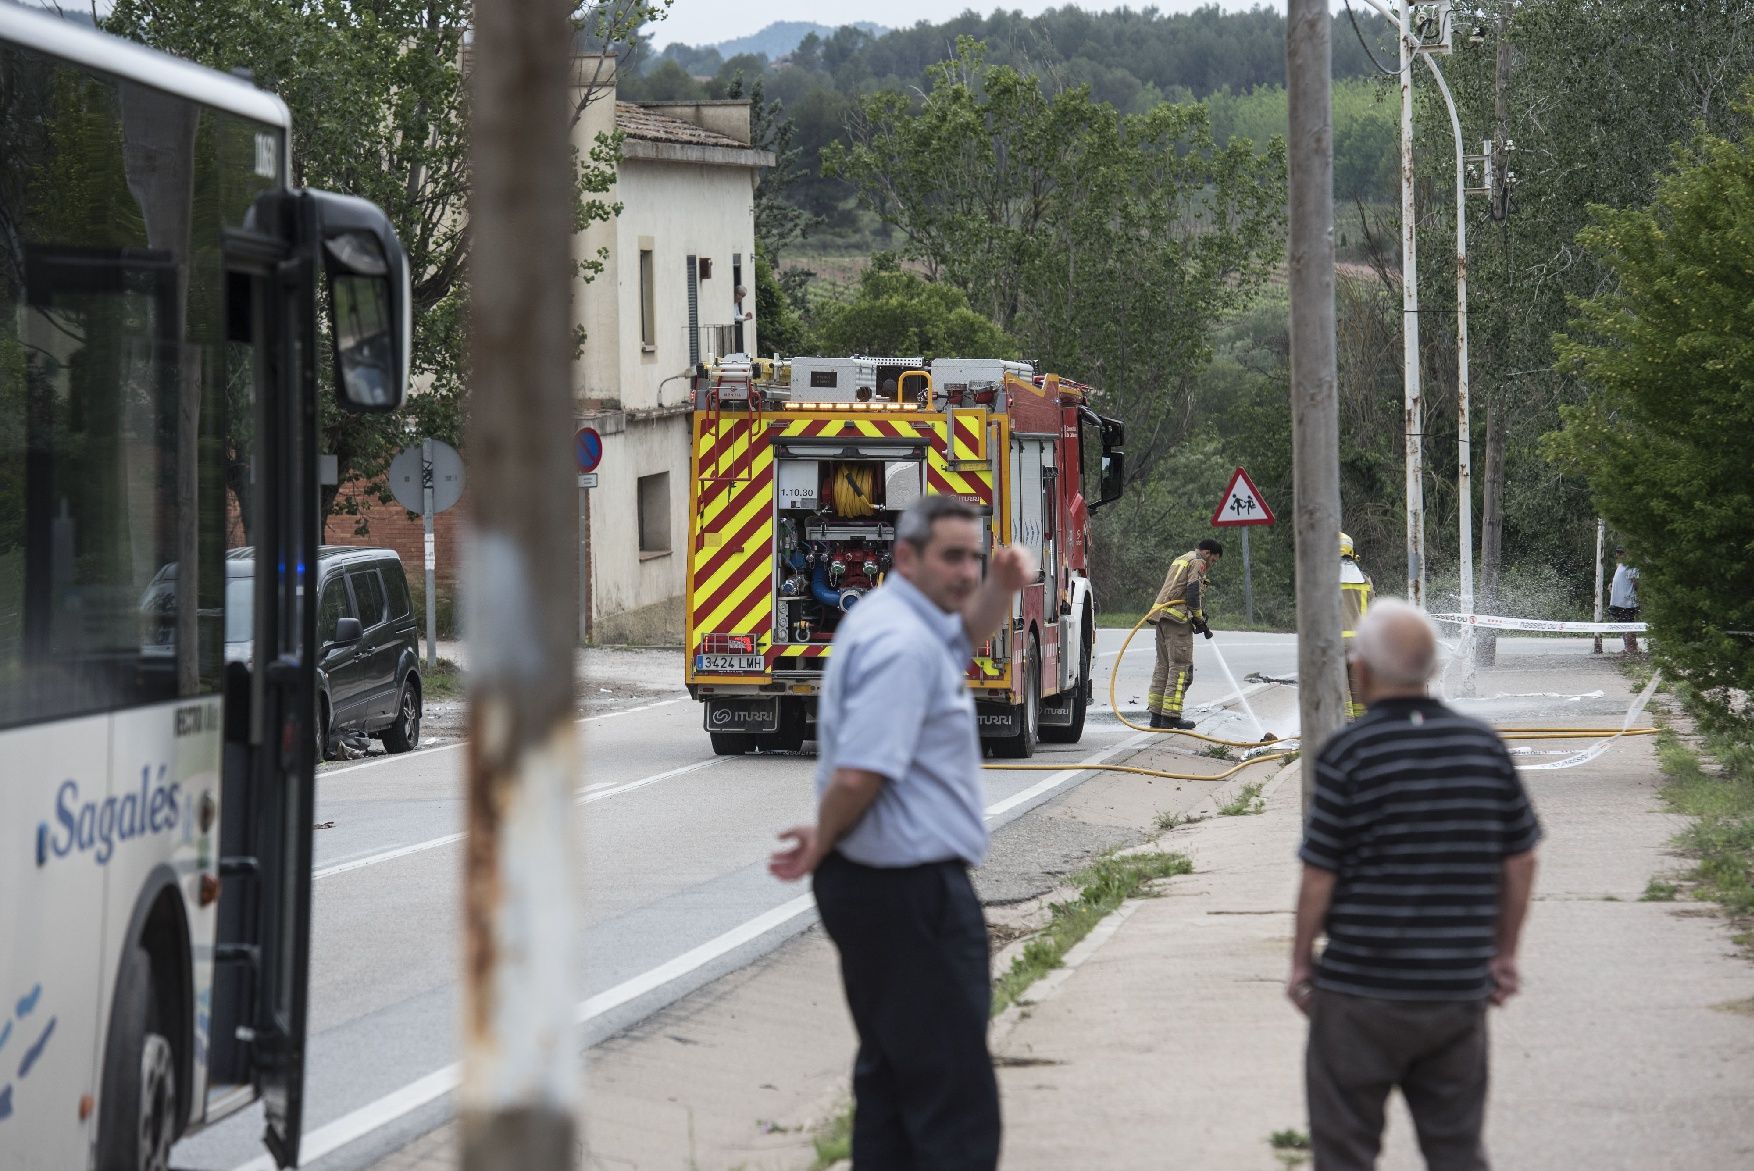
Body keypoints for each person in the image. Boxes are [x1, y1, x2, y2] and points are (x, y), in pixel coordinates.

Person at [769, 494, 1035, 1170]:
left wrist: (1002, 589)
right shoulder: (900, 645)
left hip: (888, 886)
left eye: (975, 557)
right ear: (905, 557)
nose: (966, 572)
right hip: (905, 894)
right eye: (952, 557)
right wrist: (823, 837)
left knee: (893, 1080)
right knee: (953, 1100)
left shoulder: (907, 620)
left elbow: (963, 636)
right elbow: (860, 775)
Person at [1288, 598, 1542, 1171]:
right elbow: (1521, 859)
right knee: (1455, 1148)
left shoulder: (1347, 754)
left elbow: (1319, 873)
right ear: (1431, 670)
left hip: (1358, 992)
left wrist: (1302, 961)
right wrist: (1503, 956)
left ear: (1363, 670)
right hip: (1456, 991)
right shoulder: (1483, 747)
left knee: (1345, 1150)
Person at [1145, 538, 1222, 730]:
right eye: (1213, 560)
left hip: (1161, 617)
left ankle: (1156, 716)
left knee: (1163, 667)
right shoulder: (1198, 562)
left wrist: (1197, 616)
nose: (1211, 564)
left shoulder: (1182, 558)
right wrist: (1198, 618)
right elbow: (1192, 591)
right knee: (1180, 668)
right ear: (1207, 553)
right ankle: (1170, 716)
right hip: (1178, 620)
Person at [1340, 532, 1374, 719]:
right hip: (1360, 646)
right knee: (1359, 698)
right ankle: (1363, 731)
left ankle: (1345, 732)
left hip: (1335, 646)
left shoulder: (1324, 581)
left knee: (1341, 701)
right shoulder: (1365, 580)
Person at [1608, 546, 1641, 654]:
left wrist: (1638, 596)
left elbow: (1635, 583)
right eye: (1617, 552)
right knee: (1622, 625)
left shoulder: (1631, 566)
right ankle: (1628, 647)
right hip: (1618, 602)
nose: (1618, 555)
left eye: (1620, 553)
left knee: (1628, 624)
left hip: (1627, 603)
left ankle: (1632, 648)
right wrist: (1612, 589)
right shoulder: (1620, 566)